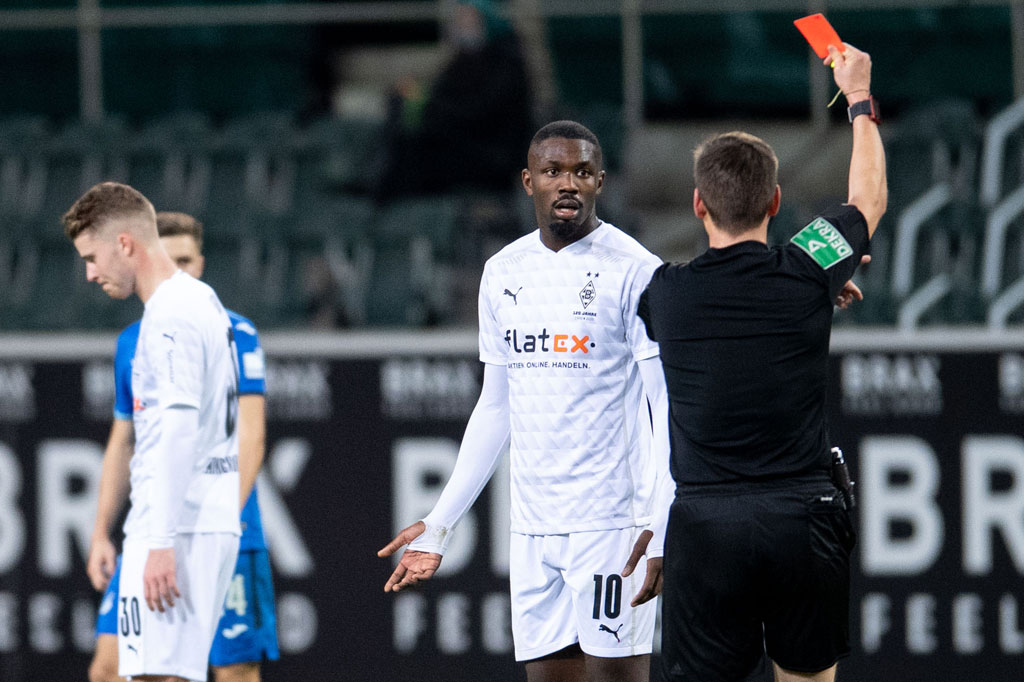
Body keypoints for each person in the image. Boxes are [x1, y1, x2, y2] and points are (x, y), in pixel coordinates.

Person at [379, 120, 674, 682]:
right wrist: (440, 524)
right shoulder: (503, 272)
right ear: (528, 181)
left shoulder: (637, 271)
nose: (568, 183)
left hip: (611, 526)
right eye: (553, 171)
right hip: (534, 527)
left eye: (582, 172)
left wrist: (659, 523)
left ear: (600, 183)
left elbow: (666, 410)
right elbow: (496, 408)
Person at [638, 44, 886, 682]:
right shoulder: (808, 268)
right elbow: (867, 202)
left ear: (698, 205)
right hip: (801, 521)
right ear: (776, 202)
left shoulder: (666, 293)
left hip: (704, 527)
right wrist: (857, 97)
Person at [87, 212, 279, 682]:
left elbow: (251, 436)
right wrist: (99, 531)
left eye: (187, 261)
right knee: (113, 669)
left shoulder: (233, 330)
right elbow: (123, 439)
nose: (179, 271)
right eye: (169, 261)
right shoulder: (133, 340)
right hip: (155, 529)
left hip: (217, 520)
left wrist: (224, 516)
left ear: (201, 262)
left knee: (233, 668)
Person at [65, 183, 243, 682]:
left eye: (92, 256)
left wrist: (160, 540)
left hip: (177, 526)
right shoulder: (199, 299)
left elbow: (179, 431)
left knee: (151, 678)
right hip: (196, 519)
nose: (90, 273)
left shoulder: (169, 317)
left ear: (125, 243)